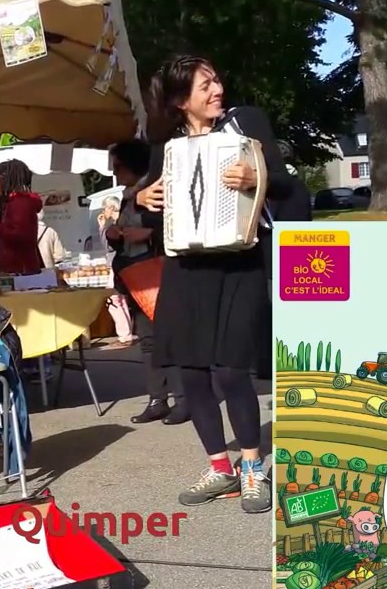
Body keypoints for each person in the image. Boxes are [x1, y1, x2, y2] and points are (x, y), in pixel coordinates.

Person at [135, 55, 293, 514]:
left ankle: (252, 467)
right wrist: (142, 198)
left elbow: (287, 186)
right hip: (186, 268)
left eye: (217, 80)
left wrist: (258, 177)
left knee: (229, 370)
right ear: (181, 101)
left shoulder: (246, 124)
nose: (217, 90)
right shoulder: (166, 146)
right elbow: (153, 208)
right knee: (192, 373)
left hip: (239, 263)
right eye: (205, 86)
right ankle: (220, 468)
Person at [104, 138, 186, 423]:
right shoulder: (129, 197)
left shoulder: (158, 190)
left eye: (118, 167)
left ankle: (183, 399)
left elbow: (179, 224)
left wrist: (150, 233)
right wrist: (114, 235)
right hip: (136, 275)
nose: (115, 173)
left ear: (133, 165)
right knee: (148, 340)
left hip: (159, 272)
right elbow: (124, 234)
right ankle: (157, 398)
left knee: (169, 338)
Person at [0, 160, 43, 275]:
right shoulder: (13, 203)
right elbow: (18, 246)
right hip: (19, 270)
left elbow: (18, 235)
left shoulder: (19, 203)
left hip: (22, 272)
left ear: (4, 181)